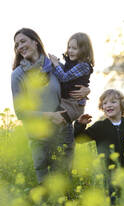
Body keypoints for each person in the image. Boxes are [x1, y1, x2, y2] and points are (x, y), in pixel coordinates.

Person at [11, 28, 90, 184]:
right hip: (39, 138)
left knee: (64, 185)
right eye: (16, 44)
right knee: (45, 187)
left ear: (35, 42)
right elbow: (20, 113)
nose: (19, 46)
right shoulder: (18, 75)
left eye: (23, 41)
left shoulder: (56, 67)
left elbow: (75, 82)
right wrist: (50, 116)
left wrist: (87, 89)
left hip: (63, 133)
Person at [48, 32, 94, 123]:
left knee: (53, 123)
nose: (70, 51)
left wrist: (56, 64)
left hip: (73, 105)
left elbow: (64, 77)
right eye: (69, 47)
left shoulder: (83, 65)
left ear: (83, 50)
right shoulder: (70, 63)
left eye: (74, 48)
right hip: (65, 101)